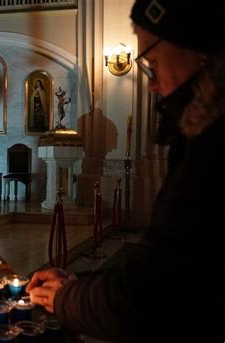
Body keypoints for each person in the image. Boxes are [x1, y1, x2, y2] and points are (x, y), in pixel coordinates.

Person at [27, 1, 225, 342]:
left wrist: (65, 298)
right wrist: (78, 286)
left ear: (198, 51)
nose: (151, 85)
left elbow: (153, 296)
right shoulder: (202, 133)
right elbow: (162, 267)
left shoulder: (213, 147)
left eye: (152, 63)